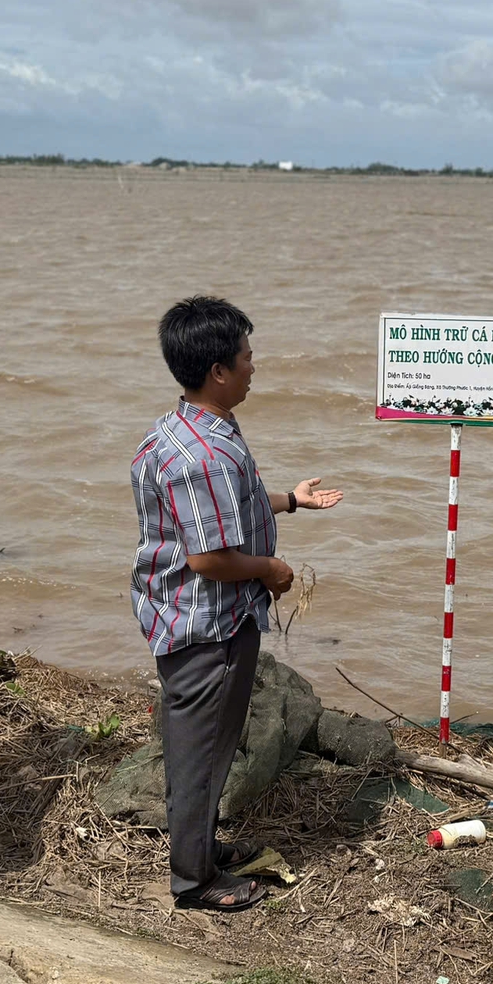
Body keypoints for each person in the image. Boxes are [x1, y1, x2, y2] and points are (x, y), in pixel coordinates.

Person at [130, 296, 343, 912]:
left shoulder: (179, 431)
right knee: (201, 747)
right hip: (208, 626)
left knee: (202, 744)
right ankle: (193, 881)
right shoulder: (209, 453)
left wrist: (289, 501)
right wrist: (272, 570)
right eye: (248, 359)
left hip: (182, 615)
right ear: (219, 370)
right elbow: (208, 559)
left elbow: (222, 512)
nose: (255, 368)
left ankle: (196, 846)